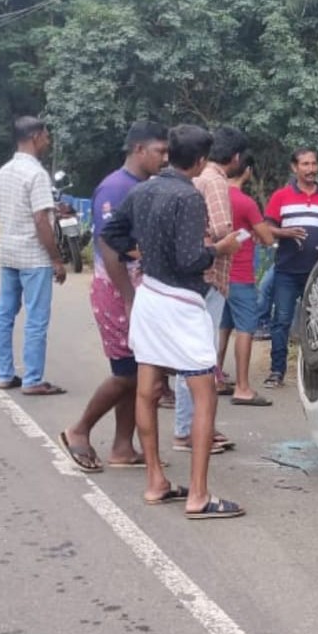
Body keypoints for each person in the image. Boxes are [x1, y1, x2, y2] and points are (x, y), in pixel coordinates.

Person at [101, 124, 247, 518]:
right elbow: (191, 260)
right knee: (204, 393)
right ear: (200, 161)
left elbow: (111, 232)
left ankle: (155, 481)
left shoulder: (143, 189)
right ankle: (199, 495)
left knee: (147, 389)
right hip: (181, 302)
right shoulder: (188, 196)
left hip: (149, 294)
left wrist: (142, 252)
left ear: (169, 155)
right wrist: (221, 248)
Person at [57, 121, 169, 473]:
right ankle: (79, 429)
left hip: (138, 288)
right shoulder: (116, 188)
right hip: (117, 289)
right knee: (125, 372)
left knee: (137, 371)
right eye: (159, 151)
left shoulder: (143, 185)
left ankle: (123, 446)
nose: (164, 158)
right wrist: (128, 297)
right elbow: (107, 246)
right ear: (139, 150)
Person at [167, 126, 244, 454]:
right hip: (208, 276)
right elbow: (222, 230)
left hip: (189, 275)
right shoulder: (214, 181)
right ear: (237, 158)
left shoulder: (186, 181)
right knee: (198, 357)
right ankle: (188, 430)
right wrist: (236, 240)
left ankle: (192, 426)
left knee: (191, 354)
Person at [0, 116, 67, 396]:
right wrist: (57, 260)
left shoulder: (3, 172)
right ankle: (33, 379)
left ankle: (4, 374)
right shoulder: (37, 175)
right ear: (35, 136)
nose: (48, 139)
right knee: (36, 318)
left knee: (4, 314)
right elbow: (40, 220)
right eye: (46, 134)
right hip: (34, 258)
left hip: (9, 253)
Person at [216, 154, 303, 405]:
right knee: (245, 330)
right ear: (247, 171)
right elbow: (267, 238)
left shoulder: (216, 197)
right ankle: (243, 387)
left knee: (223, 328)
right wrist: (253, 233)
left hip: (219, 274)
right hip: (241, 274)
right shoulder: (245, 203)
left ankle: (216, 376)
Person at [262, 148, 318, 388]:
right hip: (286, 270)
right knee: (282, 321)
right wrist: (285, 232)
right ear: (294, 168)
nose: (310, 169)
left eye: (314, 164)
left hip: (317, 272)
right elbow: (266, 228)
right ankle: (277, 371)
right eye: (305, 164)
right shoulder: (280, 197)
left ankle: (316, 371)